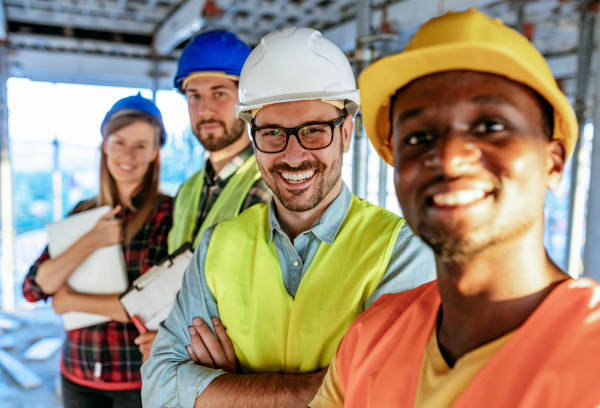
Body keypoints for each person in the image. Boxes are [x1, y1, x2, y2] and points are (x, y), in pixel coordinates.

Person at [310, 9, 600, 408]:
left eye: (490, 127)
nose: (449, 159)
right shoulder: (373, 336)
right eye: (418, 136)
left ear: (552, 161)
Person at [141, 27, 435, 407]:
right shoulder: (219, 244)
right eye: (273, 133)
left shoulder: (400, 252)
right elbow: (159, 389)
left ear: (346, 134)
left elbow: (393, 394)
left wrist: (232, 387)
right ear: (254, 138)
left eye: (314, 131)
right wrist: (329, 386)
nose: (293, 156)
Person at [23, 93, 173, 408]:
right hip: (77, 375)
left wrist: (70, 300)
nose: (127, 155)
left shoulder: (168, 215)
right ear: (104, 145)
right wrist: (93, 239)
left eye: (140, 146)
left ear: (155, 153)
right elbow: (35, 287)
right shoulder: (82, 212)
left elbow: (147, 306)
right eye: (119, 142)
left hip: (137, 379)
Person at [167, 30, 272, 253]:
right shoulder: (186, 191)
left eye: (219, 94)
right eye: (194, 96)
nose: (205, 110)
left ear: (247, 100)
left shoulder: (268, 186)